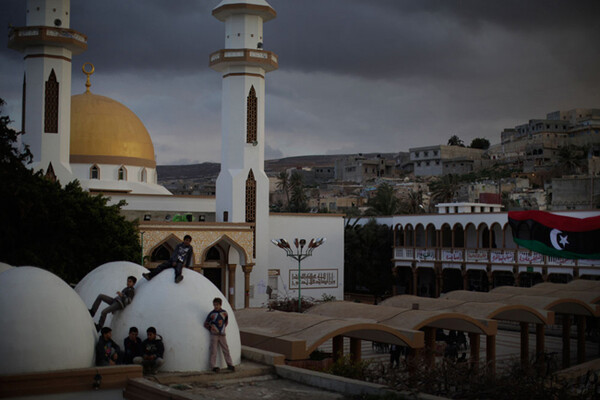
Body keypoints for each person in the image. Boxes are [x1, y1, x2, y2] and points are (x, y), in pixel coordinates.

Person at [204, 297, 235, 373]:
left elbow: (226, 322)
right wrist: (212, 328)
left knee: (226, 349)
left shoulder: (224, 313)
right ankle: (213, 366)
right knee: (213, 350)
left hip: (222, 334)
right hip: (214, 335)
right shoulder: (211, 314)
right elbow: (206, 323)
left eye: (217, 305)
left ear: (220, 305)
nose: (215, 306)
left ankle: (230, 364)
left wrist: (221, 329)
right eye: (214, 305)